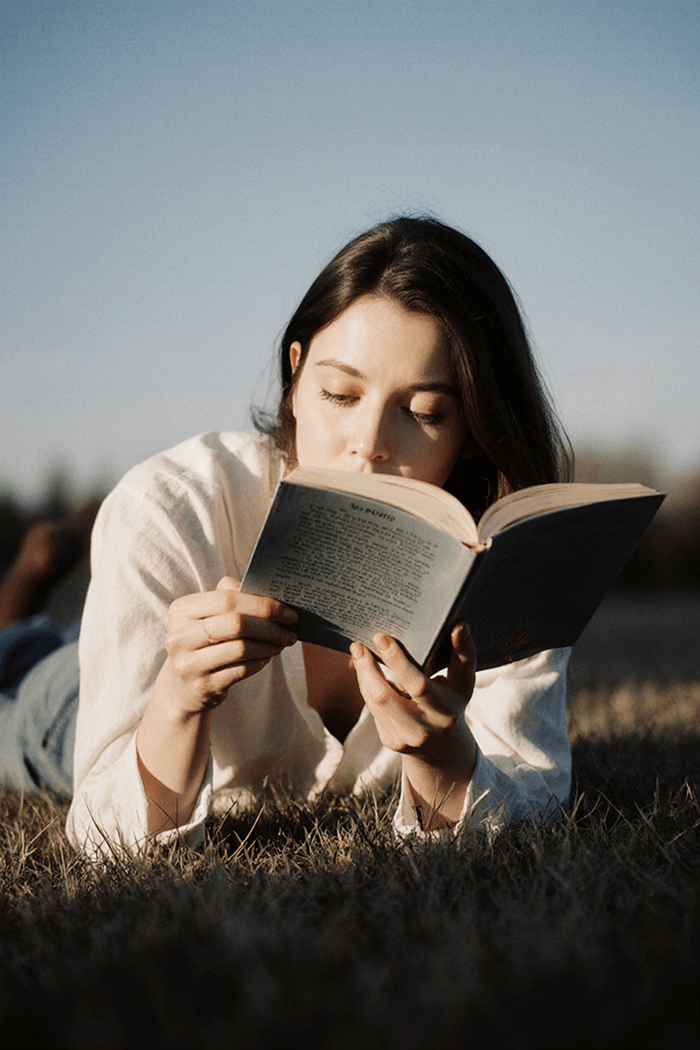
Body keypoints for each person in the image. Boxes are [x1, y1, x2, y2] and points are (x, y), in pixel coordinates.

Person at [1, 216, 573, 855]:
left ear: (472, 426)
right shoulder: (170, 505)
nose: (369, 445)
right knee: (18, 679)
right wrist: (180, 699)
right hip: (82, 702)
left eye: (423, 412)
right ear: (296, 377)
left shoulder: (498, 548)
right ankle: (19, 606)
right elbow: (102, 828)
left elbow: (536, 793)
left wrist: (443, 757)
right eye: (339, 393)